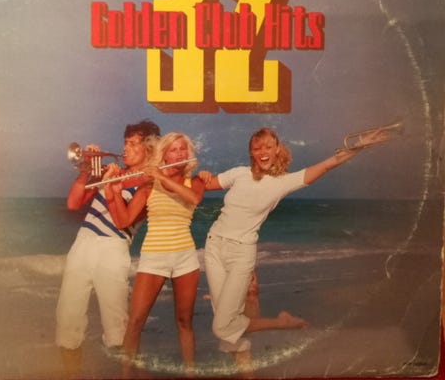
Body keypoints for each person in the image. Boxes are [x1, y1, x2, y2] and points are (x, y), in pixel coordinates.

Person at [198, 126, 388, 370]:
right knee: (227, 323)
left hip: (241, 253)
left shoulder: (283, 182)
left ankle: (282, 322)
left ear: (277, 149)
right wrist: (201, 175)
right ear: (251, 152)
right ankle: (247, 374)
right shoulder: (238, 174)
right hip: (213, 246)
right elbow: (201, 185)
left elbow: (328, 164)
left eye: (268, 147)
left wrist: (360, 145)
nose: (263, 152)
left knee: (223, 325)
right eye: (257, 148)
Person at [55, 120, 160, 377]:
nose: (125, 149)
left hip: (114, 249)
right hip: (83, 243)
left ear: (148, 149)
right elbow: (73, 203)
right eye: (125, 142)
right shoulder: (109, 173)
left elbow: (123, 221)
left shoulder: (148, 186)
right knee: (68, 319)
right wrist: (86, 170)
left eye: (133, 144)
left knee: (118, 328)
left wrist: (112, 186)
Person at [104, 132, 205, 372]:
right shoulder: (149, 185)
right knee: (135, 322)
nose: (179, 154)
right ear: (164, 155)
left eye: (183, 149)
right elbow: (123, 221)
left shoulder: (195, 181)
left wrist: (159, 174)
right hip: (153, 258)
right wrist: (114, 192)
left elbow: (193, 198)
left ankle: (190, 374)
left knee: (184, 322)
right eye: (173, 150)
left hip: (185, 258)